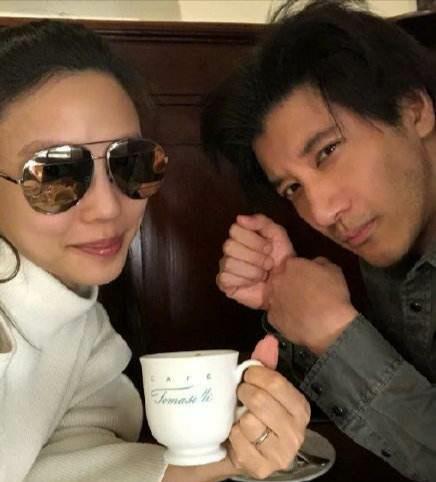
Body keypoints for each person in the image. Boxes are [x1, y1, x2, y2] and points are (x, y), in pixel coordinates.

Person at [0, 19, 311, 482]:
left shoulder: (82, 327)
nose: (108, 208)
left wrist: (226, 452)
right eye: (54, 174)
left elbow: (69, 464)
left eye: (130, 164)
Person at [202, 1, 436, 481]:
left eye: (327, 151)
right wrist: (288, 300)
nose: (322, 212)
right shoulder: (388, 245)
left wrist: (333, 334)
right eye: (292, 189)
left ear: (414, 110)